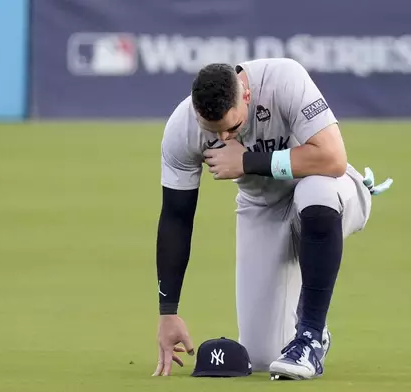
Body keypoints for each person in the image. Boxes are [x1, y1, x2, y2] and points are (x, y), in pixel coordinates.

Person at [151, 58, 391, 380]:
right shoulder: (182, 129)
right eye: (214, 131)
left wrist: (248, 161)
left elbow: (332, 158)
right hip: (262, 209)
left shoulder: (284, 79)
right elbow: (176, 217)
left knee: (315, 193)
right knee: (263, 356)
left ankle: (309, 335)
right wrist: (168, 313)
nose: (224, 138)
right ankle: (305, 335)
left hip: (331, 190)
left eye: (233, 128)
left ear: (246, 95)